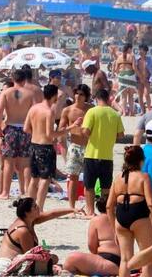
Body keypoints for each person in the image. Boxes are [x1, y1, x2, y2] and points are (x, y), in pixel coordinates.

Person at [109, 145, 152, 277]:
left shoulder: (118, 178)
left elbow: (109, 206)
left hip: (121, 217)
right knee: (147, 257)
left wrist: (113, 226)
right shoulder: (144, 177)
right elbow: (151, 202)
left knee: (125, 260)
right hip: (139, 215)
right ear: (141, 160)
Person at [0, 197, 73, 275]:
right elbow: (31, 257)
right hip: (8, 265)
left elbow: (51, 214)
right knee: (54, 259)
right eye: (35, 206)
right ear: (27, 212)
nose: (38, 207)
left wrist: (72, 210)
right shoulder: (23, 231)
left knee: (53, 258)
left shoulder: (28, 220)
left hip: (17, 260)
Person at [23, 84, 69, 212]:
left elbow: (26, 129)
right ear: (54, 96)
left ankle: (28, 206)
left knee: (34, 178)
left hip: (33, 145)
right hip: (45, 147)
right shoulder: (49, 112)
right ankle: (39, 208)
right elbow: (50, 134)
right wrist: (67, 130)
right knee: (45, 179)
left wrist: (37, 132)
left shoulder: (34, 108)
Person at [81, 87, 124, 217]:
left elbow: (85, 131)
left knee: (89, 186)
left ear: (96, 99)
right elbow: (121, 135)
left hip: (92, 154)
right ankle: (106, 211)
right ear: (108, 99)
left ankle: (90, 211)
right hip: (107, 156)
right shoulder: (115, 114)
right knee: (106, 186)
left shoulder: (92, 112)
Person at [0, 67, 37, 199]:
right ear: (24, 80)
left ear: (13, 79)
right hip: (25, 129)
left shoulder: (6, 93)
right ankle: (26, 192)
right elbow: (34, 111)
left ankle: (5, 193)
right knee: (25, 164)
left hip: (11, 128)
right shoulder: (30, 94)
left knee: (8, 163)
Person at [62, 199, 122, 277]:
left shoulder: (97, 220)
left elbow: (92, 247)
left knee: (70, 260)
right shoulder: (123, 219)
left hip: (109, 262)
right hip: (124, 261)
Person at [59, 84, 91, 214]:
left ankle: (89, 207)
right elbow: (60, 130)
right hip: (74, 147)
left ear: (86, 96)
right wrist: (73, 126)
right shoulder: (67, 110)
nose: (78, 96)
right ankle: (71, 207)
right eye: (76, 93)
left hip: (89, 147)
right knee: (72, 178)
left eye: (81, 94)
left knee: (89, 179)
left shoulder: (91, 109)